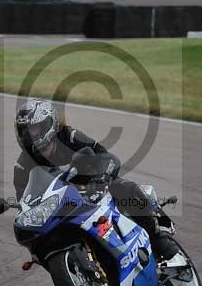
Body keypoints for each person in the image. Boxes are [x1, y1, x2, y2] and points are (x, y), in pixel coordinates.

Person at [13, 98, 180, 260]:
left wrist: (101, 179)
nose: (29, 136)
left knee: (124, 187)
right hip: (59, 203)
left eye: (34, 129)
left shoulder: (70, 136)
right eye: (25, 131)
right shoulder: (22, 165)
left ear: (49, 125)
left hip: (91, 184)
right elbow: (24, 200)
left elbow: (107, 158)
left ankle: (156, 236)